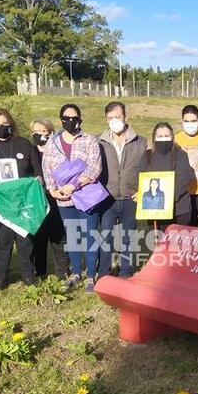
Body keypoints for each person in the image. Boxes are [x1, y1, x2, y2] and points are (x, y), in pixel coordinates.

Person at [0, 108, 42, 289]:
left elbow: (37, 169)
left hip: (22, 203)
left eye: (4, 123)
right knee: (3, 243)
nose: (1, 127)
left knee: (25, 242)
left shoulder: (24, 144)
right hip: (0, 203)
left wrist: (38, 180)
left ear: (10, 123)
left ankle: (28, 276)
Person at [41, 104, 102, 292]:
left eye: (74, 118)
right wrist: (52, 189)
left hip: (85, 195)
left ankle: (91, 275)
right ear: (61, 120)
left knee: (89, 236)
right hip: (64, 198)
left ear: (80, 119)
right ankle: (76, 273)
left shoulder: (90, 140)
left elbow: (95, 167)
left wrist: (74, 185)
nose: (70, 121)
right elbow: (47, 167)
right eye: (66, 118)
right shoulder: (53, 142)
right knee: (74, 236)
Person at [97, 101, 146, 278]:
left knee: (128, 237)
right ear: (106, 119)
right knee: (105, 238)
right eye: (110, 118)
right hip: (107, 198)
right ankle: (104, 273)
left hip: (130, 198)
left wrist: (143, 190)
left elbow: (147, 170)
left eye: (117, 117)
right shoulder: (98, 142)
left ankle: (126, 271)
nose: (114, 120)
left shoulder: (141, 142)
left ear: (125, 117)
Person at [30, 118, 69, 281]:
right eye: (36, 132)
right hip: (37, 199)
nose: (40, 135)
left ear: (51, 132)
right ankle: (40, 272)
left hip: (56, 198)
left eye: (44, 131)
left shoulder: (58, 150)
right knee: (39, 237)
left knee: (59, 237)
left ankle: (62, 271)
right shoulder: (29, 151)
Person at [140, 122, 195, 230]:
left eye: (166, 136)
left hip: (179, 210)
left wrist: (166, 200)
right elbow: (141, 178)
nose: (163, 139)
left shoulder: (181, 155)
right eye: (160, 136)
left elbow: (183, 180)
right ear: (154, 138)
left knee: (178, 245)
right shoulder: (147, 156)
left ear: (172, 137)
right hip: (155, 209)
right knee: (160, 244)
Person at [174, 104, 198, 227]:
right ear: (182, 121)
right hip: (185, 194)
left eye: (193, 121)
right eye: (186, 121)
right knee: (189, 231)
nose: (190, 124)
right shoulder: (175, 140)